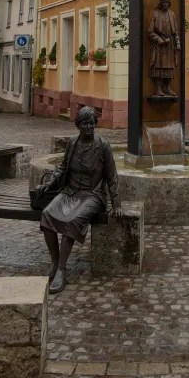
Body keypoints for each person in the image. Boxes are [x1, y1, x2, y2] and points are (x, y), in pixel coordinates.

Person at [38, 106, 121, 294]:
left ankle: (61, 270)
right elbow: (62, 167)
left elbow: (112, 175)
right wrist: (50, 184)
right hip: (71, 191)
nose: (89, 127)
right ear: (78, 125)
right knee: (47, 214)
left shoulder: (103, 145)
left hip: (93, 194)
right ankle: (54, 261)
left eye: (91, 123)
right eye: (85, 124)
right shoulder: (72, 143)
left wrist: (116, 202)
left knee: (73, 220)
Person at [147, 0, 180, 97]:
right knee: (158, 66)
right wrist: (159, 39)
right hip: (159, 46)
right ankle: (158, 89)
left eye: (167, 3)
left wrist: (177, 42)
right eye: (163, 3)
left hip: (169, 45)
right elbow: (150, 31)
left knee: (169, 67)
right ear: (160, 3)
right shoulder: (155, 14)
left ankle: (167, 88)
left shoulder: (172, 14)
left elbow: (175, 31)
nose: (165, 4)